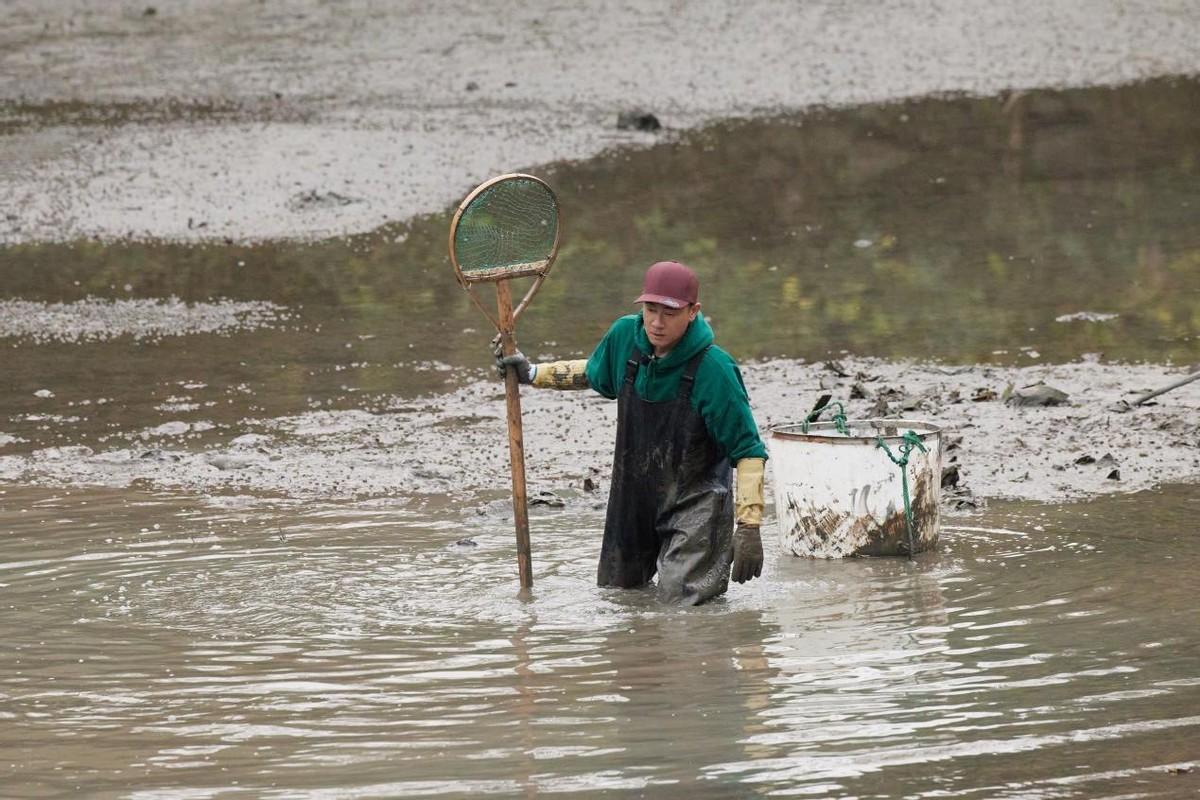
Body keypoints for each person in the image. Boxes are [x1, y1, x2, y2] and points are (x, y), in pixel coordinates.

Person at [496, 260, 767, 605]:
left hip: (696, 505)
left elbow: (748, 451)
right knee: (617, 598)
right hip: (633, 497)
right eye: (650, 310)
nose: (656, 322)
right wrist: (532, 373)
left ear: (693, 311)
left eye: (669, 313)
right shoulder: (626, 336)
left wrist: (748, 527)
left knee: (684, 611)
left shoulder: (716, 370)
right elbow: (595, 373)